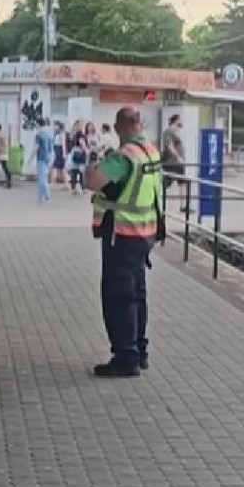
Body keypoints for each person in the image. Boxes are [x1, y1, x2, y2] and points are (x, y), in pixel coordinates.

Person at [86, 106, 165, 378]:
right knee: (137, 294)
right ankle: (140, 351)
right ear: (141, 125)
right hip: (145, 232)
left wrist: (94, 163)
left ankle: (125, 356)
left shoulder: (124, 156)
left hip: (122, 234)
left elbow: (94, 181)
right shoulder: (151, 152)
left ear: (119, 127)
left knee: (119, 297)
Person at [160, 114, 185, 190]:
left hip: (177, 163)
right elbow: (170, 146)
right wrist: (178, 157)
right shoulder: (168, 132)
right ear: (176, 120)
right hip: (171, 162)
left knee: (182, 184)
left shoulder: (175, 132)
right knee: (165, 184)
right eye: (180, 119)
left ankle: (184, 199)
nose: (182, 121)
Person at [34, 118, 54, 202]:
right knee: (43, 177)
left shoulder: (38, 136)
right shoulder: (48, 135)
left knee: (42, 178)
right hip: (47, 158)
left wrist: (30, 159)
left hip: (41, 158)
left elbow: (36, 148)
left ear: (38, 125)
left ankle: (46, 194)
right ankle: (41, 196)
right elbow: (51, 148)